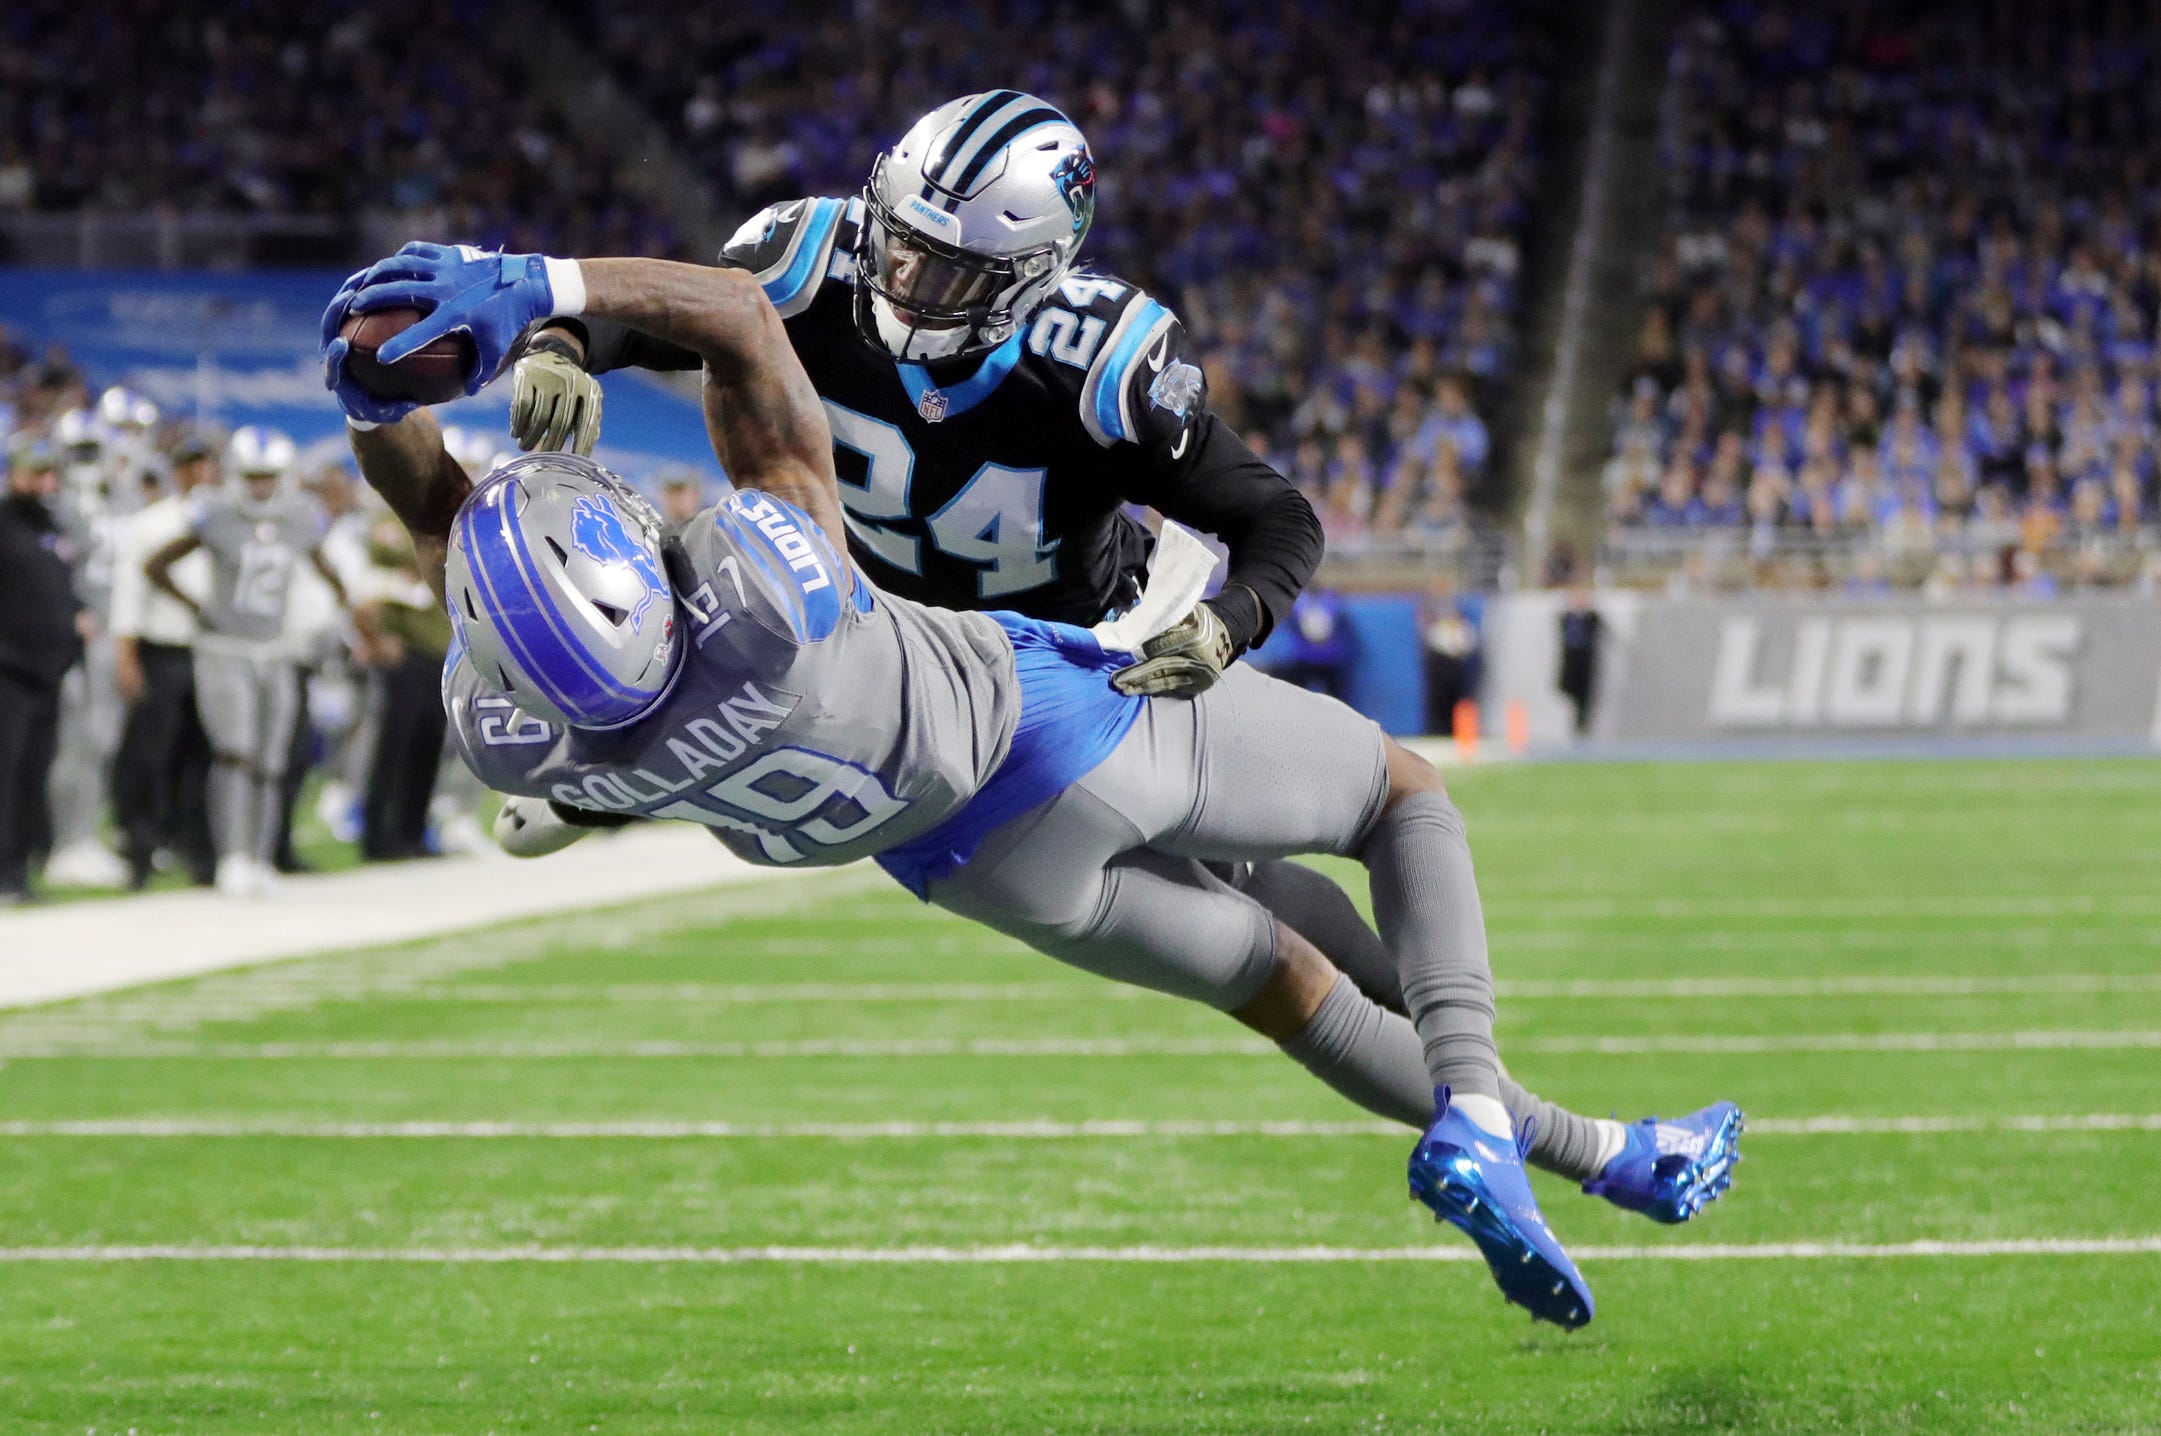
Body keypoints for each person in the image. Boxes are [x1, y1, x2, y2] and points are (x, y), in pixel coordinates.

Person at [324, 243, 1743, 1330]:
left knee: (1290, 985)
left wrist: (371, 398)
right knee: (1399, 795)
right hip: (1042, 727)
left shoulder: (538, 742)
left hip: (967, 865)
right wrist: (545, 291)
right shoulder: (764, 589)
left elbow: (446, 530)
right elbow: (743, 324)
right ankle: (1484, 1114)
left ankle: (1606, 1155)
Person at [144, 428, 349, 897]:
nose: (261, 486)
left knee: (272, 760)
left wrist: (340, 597)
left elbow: (324, 564)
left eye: (268, 476)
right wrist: (199, 608)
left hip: (275, 649)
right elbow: (156, 564)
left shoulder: (300, 514)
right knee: (234, 753)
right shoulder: (215, 512)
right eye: (253, 476)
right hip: (225, 648)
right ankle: (232, 856)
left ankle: (259, 856)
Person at [109, 430, 218, 889]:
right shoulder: (149, 523)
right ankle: (140, 848)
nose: (200, 472)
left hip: (213, 651)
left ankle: (197, 851)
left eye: (205, 462)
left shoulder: (225, 516)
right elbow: (129, 591)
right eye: (191, 464)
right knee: (150, 755)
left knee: (203, 757)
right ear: (176, 470)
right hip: (163, 648)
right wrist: (126, 654)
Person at [0, 439, 85, 903]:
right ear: (14, 475)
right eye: (36, 473)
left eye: (51, 473)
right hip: (9, 670)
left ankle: (19, 869)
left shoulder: (52, 526)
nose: (45, 483)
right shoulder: (4, 522)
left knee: (33, 773)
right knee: (6, 774)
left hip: (48, 671)